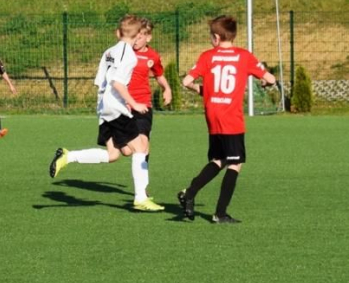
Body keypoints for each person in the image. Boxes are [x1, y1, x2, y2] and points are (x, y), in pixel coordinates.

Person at [49, 14, 164, 212]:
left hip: (103, 107)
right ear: (137, 36)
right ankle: (140, 198)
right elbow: (117, 83)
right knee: (141, 148)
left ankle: (68, 156)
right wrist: (133, 104)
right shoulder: (129, 55)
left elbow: (99, 82)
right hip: (116, 108)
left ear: (118, 33)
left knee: (113, 155)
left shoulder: (109, 51)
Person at [178, 15, 276, 223]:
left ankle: (190, 193)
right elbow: (270, 78)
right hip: (231, 117)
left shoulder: (207, 56)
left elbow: (186, 81)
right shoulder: (244, 56)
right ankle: (219, 213)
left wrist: (201, 89)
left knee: (219, 160)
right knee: (235, 163)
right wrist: (267, 83)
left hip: (213, 116)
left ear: (215, 37)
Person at [127, 18, 172, 167]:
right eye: (135, 36)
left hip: (143, 103)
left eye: (141, 36)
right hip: (124, 104)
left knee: (143, 143)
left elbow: (159, 75)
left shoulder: (153, 56)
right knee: (125, 151)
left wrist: (167, 88)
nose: (137, 40)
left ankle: (142, 188)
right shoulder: (124, 52)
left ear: (148, 37)